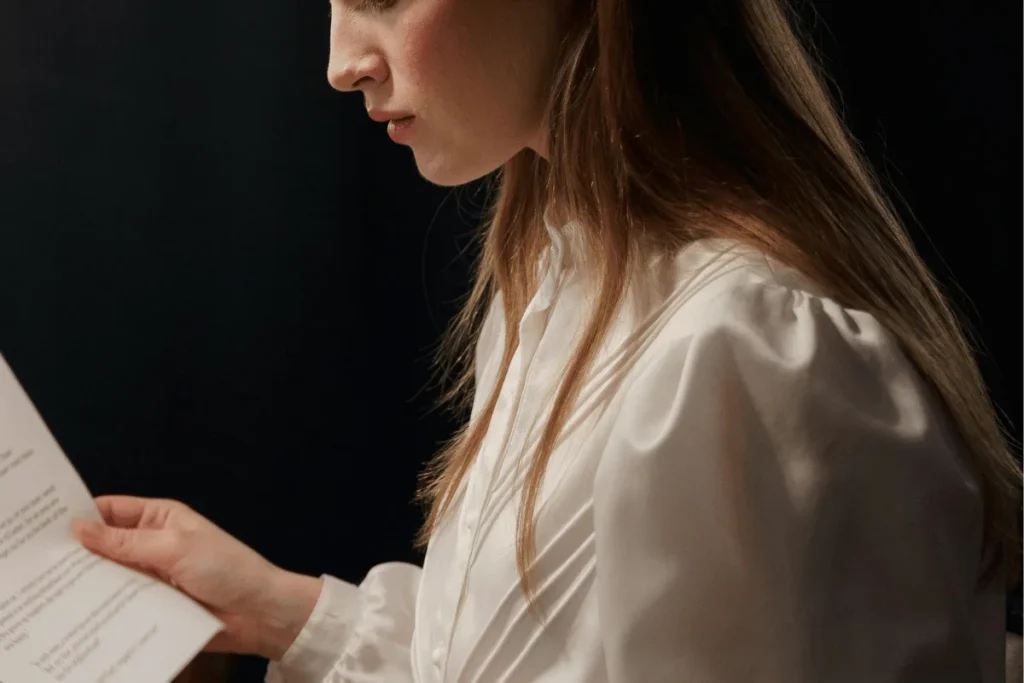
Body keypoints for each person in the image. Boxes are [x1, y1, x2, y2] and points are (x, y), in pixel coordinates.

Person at [71, 0, 1020, 681]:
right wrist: (284, 611)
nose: (340, 60)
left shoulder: (745, 356)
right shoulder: (556, 289)